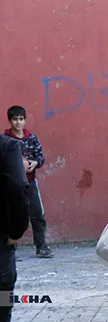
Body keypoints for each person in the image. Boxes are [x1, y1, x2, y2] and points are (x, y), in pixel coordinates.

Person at [4, 106, 54, 258]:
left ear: (25, 120)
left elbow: (40, 158)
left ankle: (41, 246)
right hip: (11, 185)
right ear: (10, 121)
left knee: (37, 214)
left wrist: (34, 163)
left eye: (21, 119)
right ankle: (10, 246)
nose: (18, 123)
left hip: (30, 182)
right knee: (10, 214)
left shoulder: (31, 138)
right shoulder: (5, 140)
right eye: (15, 119)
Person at [0, 135, 30, 322]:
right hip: (2, 239)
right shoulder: (7, 146)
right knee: (4, 292)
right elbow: (18, 187)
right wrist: (16, 231)